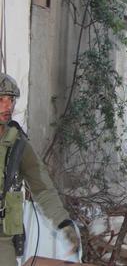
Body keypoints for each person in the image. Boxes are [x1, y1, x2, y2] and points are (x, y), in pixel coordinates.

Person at [0, 73, 79, 265]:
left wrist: (63, 223)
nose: (8, 106)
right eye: (1, 99)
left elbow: (42, 188)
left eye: (11, 100)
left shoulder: (17, 145)